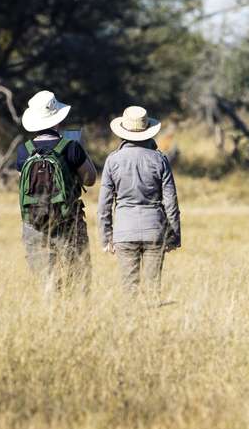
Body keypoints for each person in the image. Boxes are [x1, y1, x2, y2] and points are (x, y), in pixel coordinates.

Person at [16, 90, 97, 293]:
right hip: (67, 220)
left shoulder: (23, 150)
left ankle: (48, 316)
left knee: (47, 281)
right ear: (57, 119)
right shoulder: (70, 147)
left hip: (33, 222)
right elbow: (90, 178)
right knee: (78, 277)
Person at [98, 105, 180, 297]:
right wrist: (174, 235)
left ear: (123, 132)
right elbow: (171, 203)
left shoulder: (113, 160)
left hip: (124, 232)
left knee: (129, 290)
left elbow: (104, 205)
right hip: (155, 230)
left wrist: (106, 237)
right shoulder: (160, 160)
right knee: (153, 290)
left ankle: (131, 323)